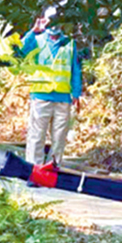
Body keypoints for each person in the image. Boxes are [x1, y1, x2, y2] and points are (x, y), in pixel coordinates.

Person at [16, 12, 83, 166]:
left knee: (59, 138)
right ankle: (34, 169)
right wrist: (33, 31)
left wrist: (76, 93)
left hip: (63, 98)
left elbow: (75, 69)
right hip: (41, 96)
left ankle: (53, 168)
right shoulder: (36, 40)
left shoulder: (69, 44)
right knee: (36, 136)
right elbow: (20, 51)